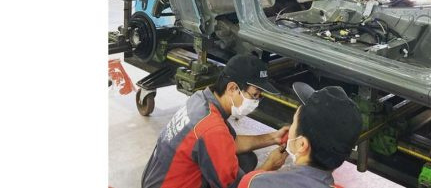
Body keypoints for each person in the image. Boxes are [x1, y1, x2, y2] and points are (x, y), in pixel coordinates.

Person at [141, 55, 290, 188]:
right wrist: (269, 166)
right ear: (232, 88)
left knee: (245, 159)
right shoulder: (212, 128)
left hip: (156, 180)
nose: (256, 102)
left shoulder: (201, 99)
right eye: (255, 95)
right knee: (245, 170)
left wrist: (273, 138)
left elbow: (230, 143)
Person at [238, 82, 363, 188]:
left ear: (302, 144)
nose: (290, 128)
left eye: (293, 123)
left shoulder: (254, 182)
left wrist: (267, 167)